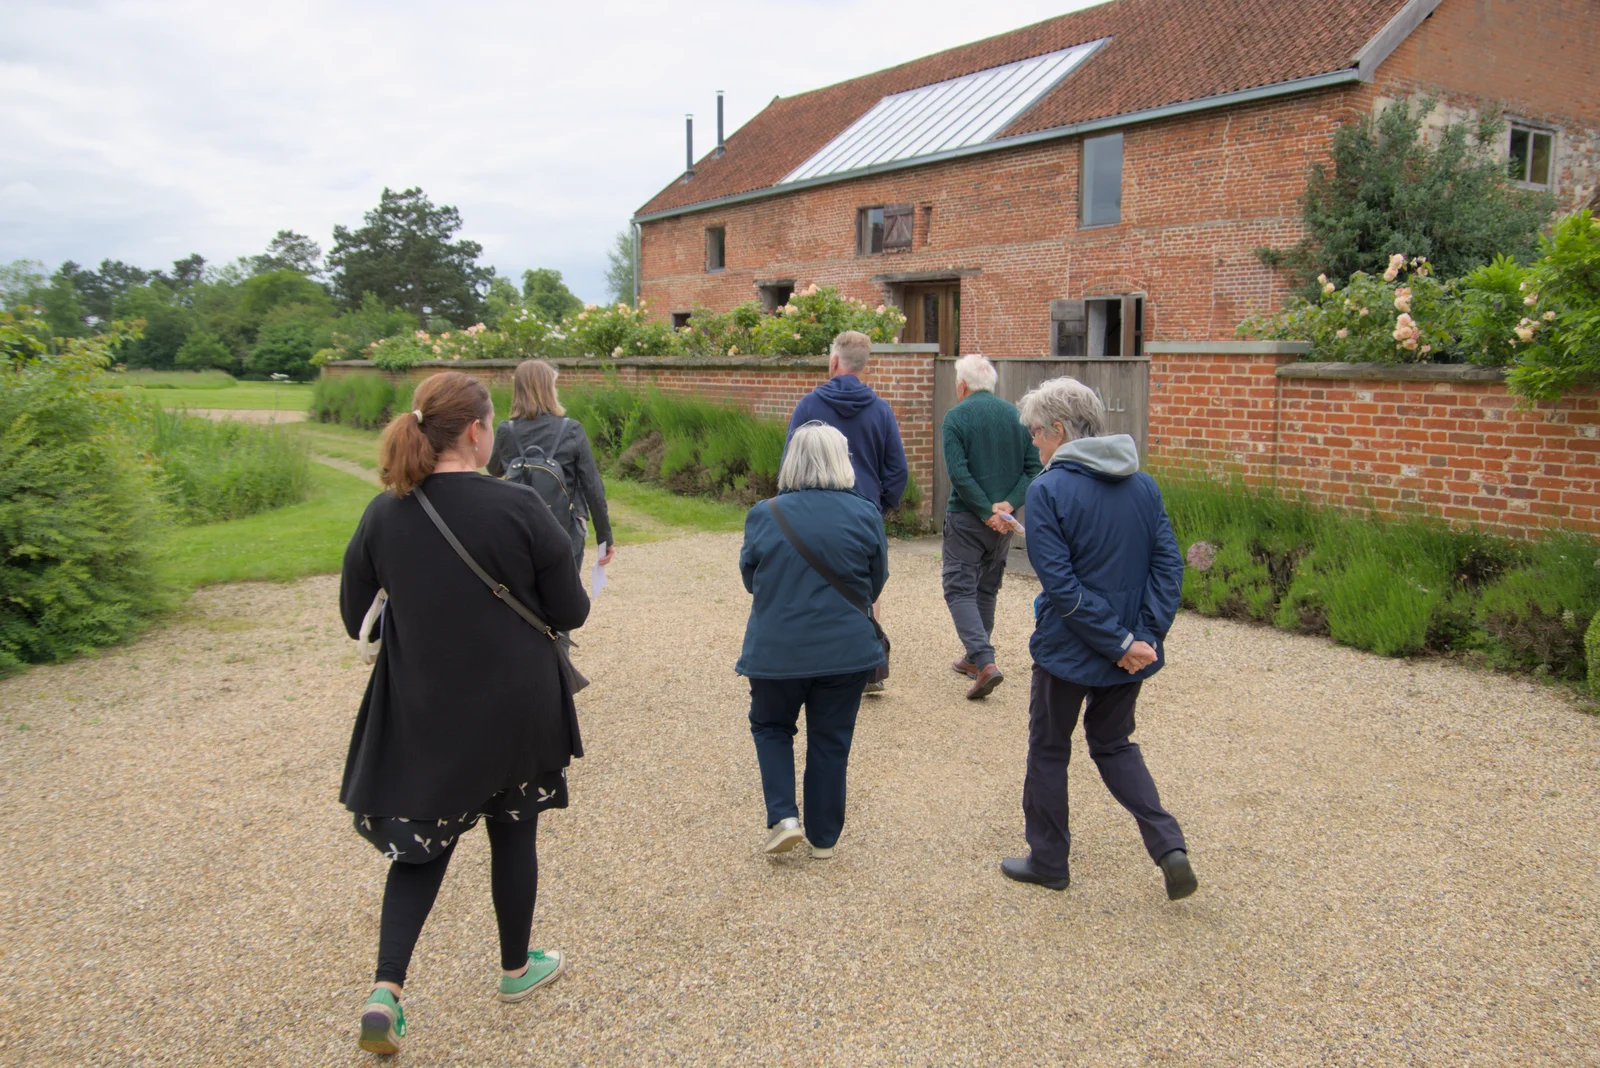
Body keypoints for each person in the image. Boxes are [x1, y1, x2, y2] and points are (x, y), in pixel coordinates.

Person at [339, 371, 591, 1055]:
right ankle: (515, 969)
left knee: (420, 852)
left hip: (426, 702)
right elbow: (572, 610)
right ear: (479, 432)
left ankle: (386, 990)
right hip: (516, 704)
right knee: (514, 832)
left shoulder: (384, 513)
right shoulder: (518, 508)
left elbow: (353, 618)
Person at [998, 376, 1196, 901]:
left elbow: (1061, 587)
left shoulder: (1047, 489)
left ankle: (1049, 862)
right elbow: (1168, 567)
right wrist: (1142, 638)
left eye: (1037, 433)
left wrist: (1124, 641)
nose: (1034, 442)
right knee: (1114, 744)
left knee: (1048, 749)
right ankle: (1168, 847)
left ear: (1059, 430)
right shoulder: (1143, 485)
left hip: (1069, 651)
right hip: (1129, 651)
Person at [736, 422, 888, 859]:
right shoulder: (865, 513)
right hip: (846, 649)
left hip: (776, 649)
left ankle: (783, 817)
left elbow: (751, 579)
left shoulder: (764, 513)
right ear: (843, 461)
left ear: (792, 461)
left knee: (771, 726)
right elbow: (875, 584)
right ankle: (823, 836)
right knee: (831, 737)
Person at [786, 330, 907, 692]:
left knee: (813, 579)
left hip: (812, 512)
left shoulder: (809, 406)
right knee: (868, 587)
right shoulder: (881, 410)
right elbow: (897, 472)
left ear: (835, 360)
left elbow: (790, 463)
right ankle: (869, 669)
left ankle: (815, 661)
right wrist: (878, 508)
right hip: (863, 512)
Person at [940, 354, 1042, 700]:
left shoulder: (956, 417)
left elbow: (958, 473)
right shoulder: (1017, 417)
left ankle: (984, 661)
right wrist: (1007, 508)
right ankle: (973, 657)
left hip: (968, 518)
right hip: (1004, 525)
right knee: (986, 588)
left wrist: (986, 510)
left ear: (962, 386)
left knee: (959, 587)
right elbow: (1033, 469)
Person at [487, 359, 616, 572]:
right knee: (565, 594)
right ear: (549, 388)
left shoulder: (506, 430)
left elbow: (494, 469)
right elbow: (592, 487)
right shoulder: (571, 429)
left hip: (520, 528)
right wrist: (605, 538)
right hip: (566, 528)